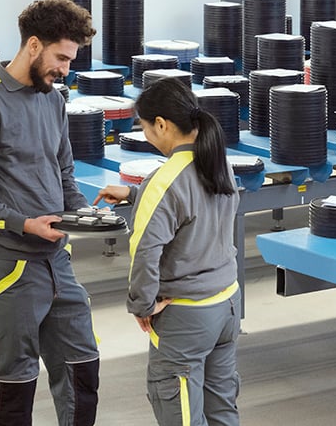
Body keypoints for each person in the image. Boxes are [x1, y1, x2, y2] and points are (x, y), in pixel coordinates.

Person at [0, 0, 99, 426]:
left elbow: (64, 172)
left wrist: (84, 213)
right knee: (13, 387)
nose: (65, 69)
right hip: (11, 269)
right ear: (33, 46)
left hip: (59, 263)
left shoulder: (54, 99)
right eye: (61, 57)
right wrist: (24, 224)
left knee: (82, 371)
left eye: (71, 60)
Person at [94, 77, 241, 426]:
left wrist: (142, 305)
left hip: (186, 318)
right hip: (226, 305)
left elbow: (145, 252)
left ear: (161, 124)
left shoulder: (165, 181)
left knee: (181, 415)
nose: (146, 135)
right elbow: (192, 205)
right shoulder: (219, 162)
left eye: (144, 128)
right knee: (222, 412)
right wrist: (134, 194)